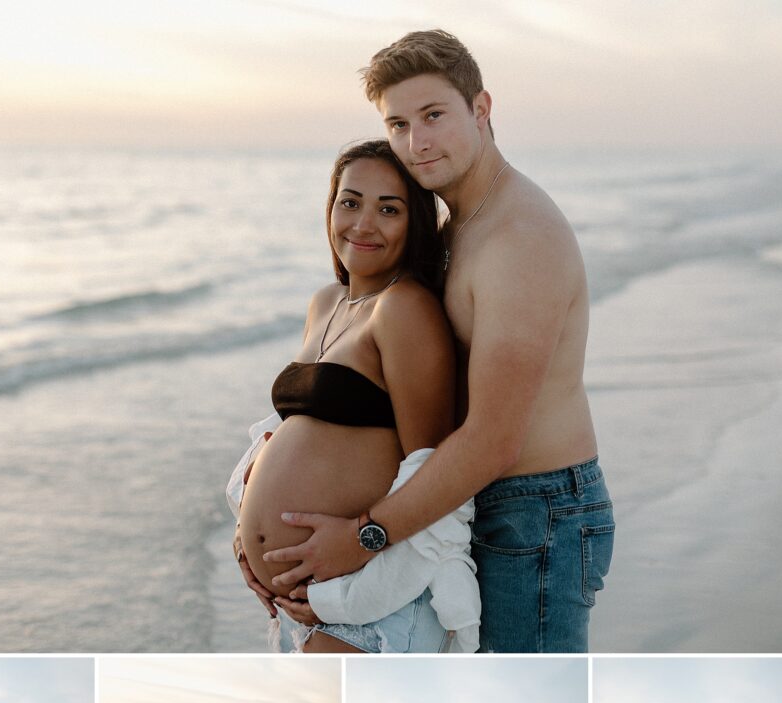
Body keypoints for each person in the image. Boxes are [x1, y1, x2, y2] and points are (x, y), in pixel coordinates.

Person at [262, 29, 614, 653]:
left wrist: (365, 536)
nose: (415, 143)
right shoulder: (458, 228)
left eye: (433, 116)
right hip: (463, 501)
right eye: (398, 124)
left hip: (533, 514)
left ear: (481, 109)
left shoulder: (518, 237)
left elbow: (494, 438)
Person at [230, 138, 479, 654]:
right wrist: (245, 535)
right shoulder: (325, 302)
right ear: (330, 209)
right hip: (304, 604)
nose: (363, 224)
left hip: (366, 603)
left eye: (389, 209)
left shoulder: (404, 307)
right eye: (351, 202)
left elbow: (431, 472)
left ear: (415, 225)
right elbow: (302, 439)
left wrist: (358, 550)